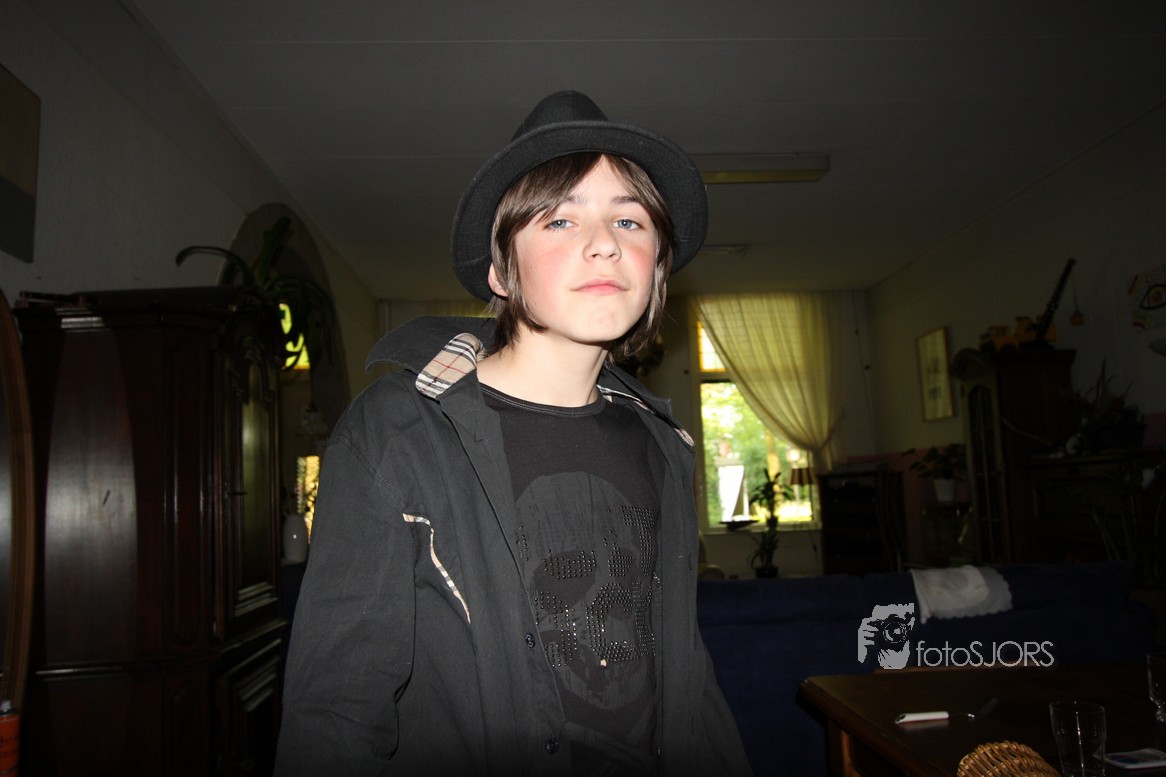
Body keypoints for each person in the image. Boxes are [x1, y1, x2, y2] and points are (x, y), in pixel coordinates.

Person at [275, 90, 752, 777]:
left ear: (656, 269)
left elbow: (683, 675)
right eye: (559, 219)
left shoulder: (663, 443)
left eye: (629, 219)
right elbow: (334, 715)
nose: (605, 242)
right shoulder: (397, 433)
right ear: (501, 272)